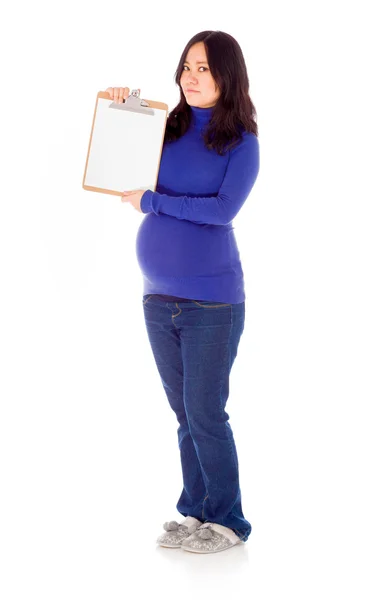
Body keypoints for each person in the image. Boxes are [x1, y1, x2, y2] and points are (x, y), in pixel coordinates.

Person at [106, 30, 260, 554]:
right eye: (187, 67)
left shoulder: (241, 143)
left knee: (206, 412)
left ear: (227, 77)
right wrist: (121, 109)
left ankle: (228, 522)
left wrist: (154, 203)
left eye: (205, 69)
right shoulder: (164, 127)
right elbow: (118, 158)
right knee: (185, 414)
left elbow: (221, 211)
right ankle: (196, 511)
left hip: (212, 302)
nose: (191, 77)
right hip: (156, 297)